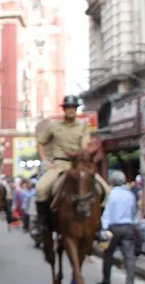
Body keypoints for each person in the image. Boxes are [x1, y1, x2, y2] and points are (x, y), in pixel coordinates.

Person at [34, 95, 110, 233]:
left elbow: (84, 145)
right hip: (58, 165)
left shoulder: (83, 127)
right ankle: (43, 223)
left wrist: (84, 154)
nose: (71, 110)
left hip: (77, 165)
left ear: (76, 110)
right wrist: (45, 160)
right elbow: (40, 142)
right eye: (68, 107)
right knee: (40, 189)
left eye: (73, 108)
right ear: (64, 109)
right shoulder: (53, 126)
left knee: (107, 191)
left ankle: (97, 225)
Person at [98, 170, 138, 284]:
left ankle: (106, 279)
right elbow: (133, 212)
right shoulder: (130, 195)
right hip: (127, 227)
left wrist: (103, 229)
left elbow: (107, 213)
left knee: (108, 254)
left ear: (113, 182)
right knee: (129, 257)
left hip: (112, 228)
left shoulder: (111, 194)